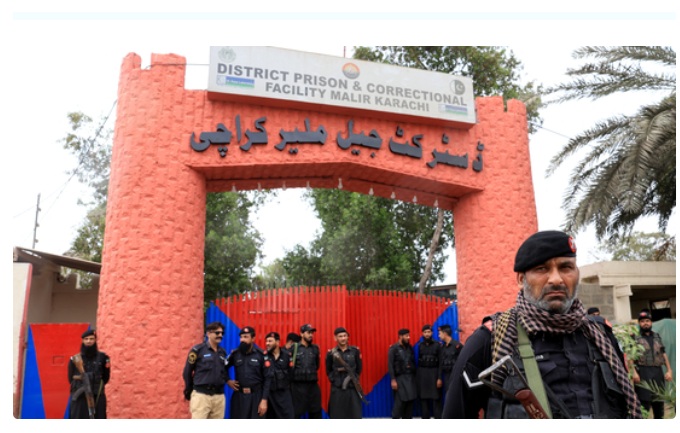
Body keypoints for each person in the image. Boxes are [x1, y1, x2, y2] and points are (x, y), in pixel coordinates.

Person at [442, 230, 642, 419]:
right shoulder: (489, 340)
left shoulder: (601, 335)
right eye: (541, 269)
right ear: (521, 280)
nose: (556, 279)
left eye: (565, 267)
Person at [631, 309, 673, 419]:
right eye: (642, 321)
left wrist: (669, 370)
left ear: (651, 322)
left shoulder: (657, 336)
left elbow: (663, 353)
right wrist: (634, 372)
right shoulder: (634, 337)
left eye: (647, 321)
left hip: (657, 373)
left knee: (659, 404)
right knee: (644, 404)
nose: (645, 323)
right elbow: (630, 356)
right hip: (643, 373)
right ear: (639, 323)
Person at [182, 321, 229, 419]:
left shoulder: (223, 352)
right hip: (201, 396)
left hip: (219, 397)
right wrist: (189, 389)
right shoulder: (197, 350)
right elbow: (187, 372)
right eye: (217, 333)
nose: (220, 335)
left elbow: (224, 371)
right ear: (208, 334)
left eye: (222, 333)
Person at [225, 326, 272, 418]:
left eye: (246, 337)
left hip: (256, 397)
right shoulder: (235, 354)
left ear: (253, 338)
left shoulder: (261, 355)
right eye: (241, 337)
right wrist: (228, 380)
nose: (242, 340)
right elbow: (223, 367)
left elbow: (268, 378)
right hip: (239, 397)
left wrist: (264, 400)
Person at [67, 329, 111, 419]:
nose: (88, 341)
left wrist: (94, 383)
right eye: (86, 339)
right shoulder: (75, 359)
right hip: (80, 397)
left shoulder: (103, 358)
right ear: (82, 341)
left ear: (95, 340)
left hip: (96, 395)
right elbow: (70, 378)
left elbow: (106, 377)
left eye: (91, 339)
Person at [326, 327, 363, 419]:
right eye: (340, 336)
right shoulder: (331, 353)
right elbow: (328, 370)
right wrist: (334, 380)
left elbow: (359, 368)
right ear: (335, 338)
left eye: (345, 336)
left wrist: (354, 378)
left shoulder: (355, 351)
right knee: (337, 415)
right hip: (337, 389)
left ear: (347, 337)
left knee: (354, 415)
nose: (343, 338)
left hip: (352, 388)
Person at [291, 324, 322, 418]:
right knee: (296, 413)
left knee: (316, 413)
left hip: (312, 386)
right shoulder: (294, 348)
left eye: (312, 333)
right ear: (301, 334)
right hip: (298, 387)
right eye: (308, 332)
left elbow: (317, 365)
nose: (311, 335)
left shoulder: (315, 349)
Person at [264, 331, 295, 418]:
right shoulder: (263, 356)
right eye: (266, 341)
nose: (267, 343)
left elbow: (291, 374)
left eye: (270, 341)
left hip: (284, 394)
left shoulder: (287, 355)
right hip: (270, 395)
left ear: (277, 342)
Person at [388, 328, 417, 418]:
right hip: (400, 380)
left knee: (410, 403)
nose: (409, 337)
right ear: (400, 336)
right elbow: (390, 365)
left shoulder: (410, 348)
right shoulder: (393, 349)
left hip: (410, 379)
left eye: (409, 335)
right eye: (406, 336)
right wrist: (393, 380)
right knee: (399, 404)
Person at [415, 324, 442, 418]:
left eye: (429, 332)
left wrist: (439, 378)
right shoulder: (420, 345)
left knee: (436, 399)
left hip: (434, 375)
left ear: (432, 333)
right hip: (423, 376)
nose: (427, 334)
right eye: (425, 332)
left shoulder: (437, 345)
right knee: (423, 400)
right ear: (422, 333)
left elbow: (440, 363)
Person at [437, 324, 463, 409]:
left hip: (456, 376)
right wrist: (439, 378)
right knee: (448, 396)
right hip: (447, 376)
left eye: (440, 333)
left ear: (445, 333)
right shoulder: (442, 347)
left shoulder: (457, 346)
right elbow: (441, 363)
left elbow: (463, 362)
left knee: (456, 397)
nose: (439, 336)